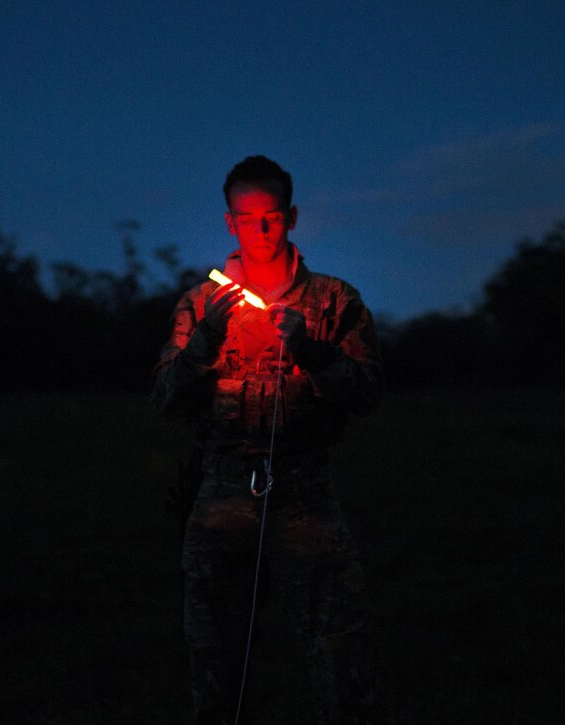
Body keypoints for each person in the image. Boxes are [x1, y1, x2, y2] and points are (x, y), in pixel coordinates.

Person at [151, 155, 386, 724]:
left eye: (272, 217)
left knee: (340, 659)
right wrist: (206, 341)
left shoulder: (334, 302)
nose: (260, 230)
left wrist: (311, 349)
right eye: (246, 217)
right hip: (221, 501)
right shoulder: (203, 303)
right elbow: (164, 398)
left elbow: (367, 393)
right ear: (229, 222)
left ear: (292, 218)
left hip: (307, 501)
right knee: (218, 670)